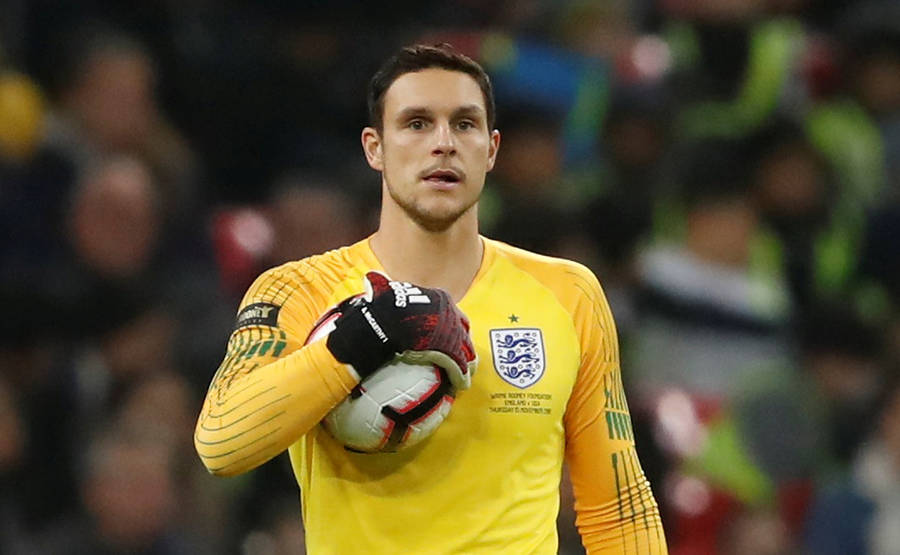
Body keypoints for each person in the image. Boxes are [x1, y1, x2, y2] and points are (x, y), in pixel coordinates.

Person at [194, 43, 667, 554]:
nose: (443, 143)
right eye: (417, 123)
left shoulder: (568, 293)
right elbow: (222, 443)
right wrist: (360, 340)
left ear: (491, 149)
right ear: (375, 148)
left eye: (464, 124)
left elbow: (618, 508)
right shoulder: (298, 290)